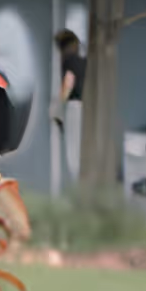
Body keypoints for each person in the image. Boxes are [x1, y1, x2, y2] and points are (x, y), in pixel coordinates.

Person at [52, 30, 86, 190]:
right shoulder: (84, 62)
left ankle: (78, 188)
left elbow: (68, 83)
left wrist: (56, 108)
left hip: (74, 107)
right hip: (87, 107)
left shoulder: (69, 61)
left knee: (73, 153)